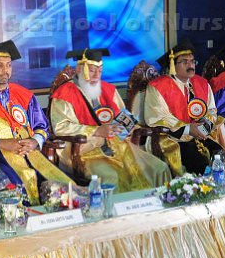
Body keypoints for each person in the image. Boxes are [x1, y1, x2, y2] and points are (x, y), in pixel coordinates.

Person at [0, 40, 73, 205]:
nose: (5, 70)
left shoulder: (24, 95)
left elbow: (42, 126)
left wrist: (34, 141)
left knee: (59, 188)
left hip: (30, 153)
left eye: (8, 65)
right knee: (15, 189)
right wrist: (1, 143)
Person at [49, 48, 171, 191]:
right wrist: (96, 131)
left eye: (100, 71)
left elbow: (123, 116)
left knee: (159, 169)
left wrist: (129, 127)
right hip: (86, 151)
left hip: (118, 146)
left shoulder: (108, 89)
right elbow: (61, 127)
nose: (97, 76)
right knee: (111, 177)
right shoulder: (64, 93)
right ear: (79, 69)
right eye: (92, 71)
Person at [141, 40, 225, 176]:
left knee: (222, 158)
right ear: (172, 64)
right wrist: (188, 129)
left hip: (202, 135)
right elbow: (159, 117)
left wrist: (205, 126)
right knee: (200, 166)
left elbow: (211, 110)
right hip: (173, 138)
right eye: (185, 62)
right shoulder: (158, 87)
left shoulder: (202, 83)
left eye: (193, 61)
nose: (191, 65)